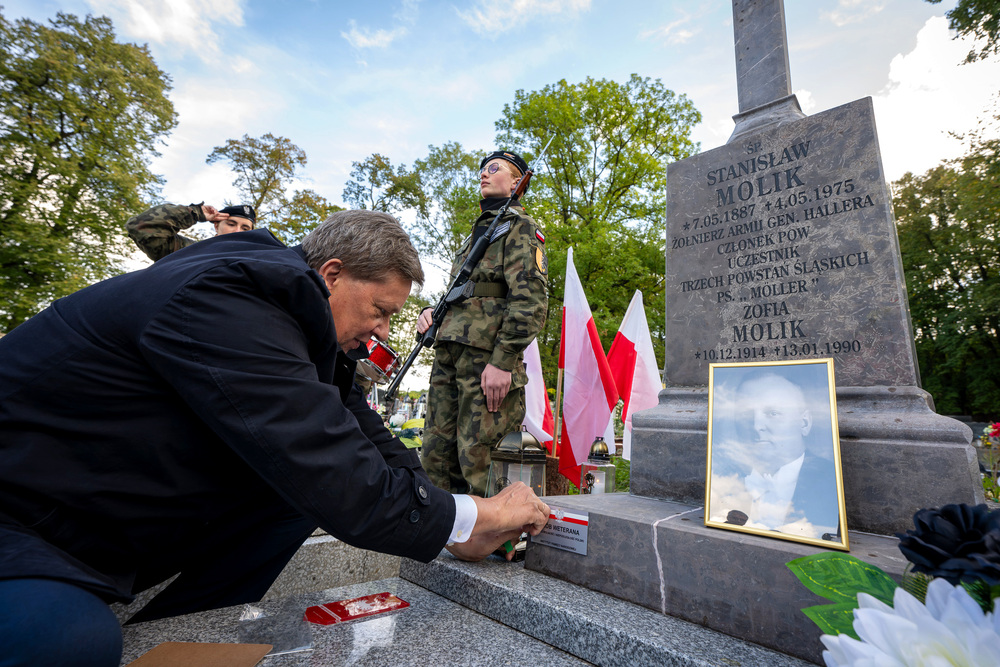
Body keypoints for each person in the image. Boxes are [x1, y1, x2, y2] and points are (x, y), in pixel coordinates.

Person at [0, 210, 550, 667]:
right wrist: (477, 517)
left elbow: (365, 441)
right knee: (62, 639)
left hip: (89, 512)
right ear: (331, 275)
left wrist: (453, 523)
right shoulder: (228, 298)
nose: (384, 330)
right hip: (23, 512)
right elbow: (328, 466)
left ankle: (182, 635)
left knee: (288, 496)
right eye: (380, 311)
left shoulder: (306, 332)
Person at [418, 150, 548, 497]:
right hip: (450, 348)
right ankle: (448, 530)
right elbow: (463, 292)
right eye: (482, 170)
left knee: (481, 453)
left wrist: (502, 360)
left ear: (518, 182)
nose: (483, 175)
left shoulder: (521, 228)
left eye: (494, 169)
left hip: (485, 355)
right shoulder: (474, 235)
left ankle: (498, 539)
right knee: (437, 448)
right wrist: (433, 312)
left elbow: (530, 300)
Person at [709, 371, 840, 538]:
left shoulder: (831, 480)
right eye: (746, 415)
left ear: (804, 423)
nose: (756, 426)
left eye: (772, 413)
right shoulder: (720, 477)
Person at [126, 201, 256, 261]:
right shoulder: (191, 252)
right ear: (216, 226)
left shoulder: (255, 264)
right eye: (231, 224)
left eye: (245, 229)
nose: (237, 231)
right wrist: (193, 213)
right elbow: (141, 226)